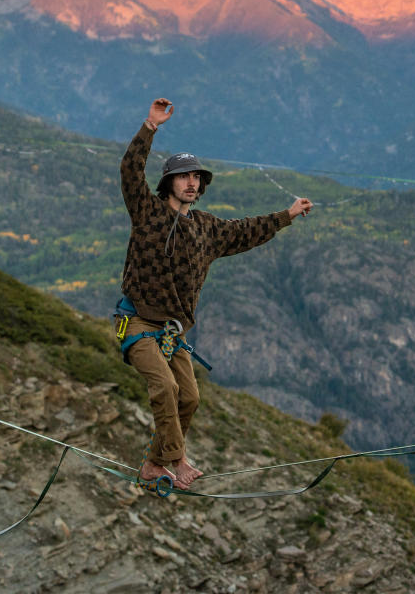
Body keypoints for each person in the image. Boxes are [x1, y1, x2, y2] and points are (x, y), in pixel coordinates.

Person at [116, 98, 312, 490]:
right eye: (183, 176)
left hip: (174, 333)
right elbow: (129, 170)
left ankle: (155, 465)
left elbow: (245, 231)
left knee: (189, 397)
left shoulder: (207, 228)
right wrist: (150, 127)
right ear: (169, 182)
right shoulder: (147, 211)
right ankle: (177, 458)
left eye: (196, 178)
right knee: (167, 389)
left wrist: (286, 216)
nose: (191, 182)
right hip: (136, 322)